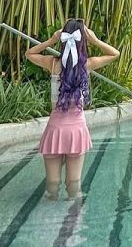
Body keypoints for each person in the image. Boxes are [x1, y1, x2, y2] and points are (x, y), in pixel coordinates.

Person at [25, 19, 120, 199]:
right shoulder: (86, 65)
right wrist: (95, 40)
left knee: (52, 184)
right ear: (83, 41)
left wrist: (51, 41)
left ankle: (49, 216)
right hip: (76, 130)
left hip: (55, 129)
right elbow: (115, 53)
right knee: (74, 184)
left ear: (62, 39)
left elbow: (29, 53)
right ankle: (73, 219)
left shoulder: (52, 64)